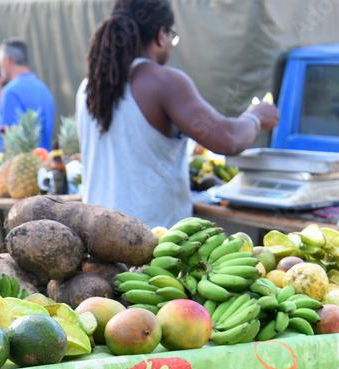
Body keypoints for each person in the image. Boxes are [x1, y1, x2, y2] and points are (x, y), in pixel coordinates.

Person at [76, 0, 279, 228]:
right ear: (162, 35)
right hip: (153, 243)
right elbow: (228, 139)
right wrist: (255, 117)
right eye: (172, 37)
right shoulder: (165, 82)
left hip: (96, 235)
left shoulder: (89, 87)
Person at [0, 38, 55, 153]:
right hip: (43, 163)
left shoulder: (10, 92)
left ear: (7, 60)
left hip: (18, 168)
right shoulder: (44, 89)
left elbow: (6, 141)